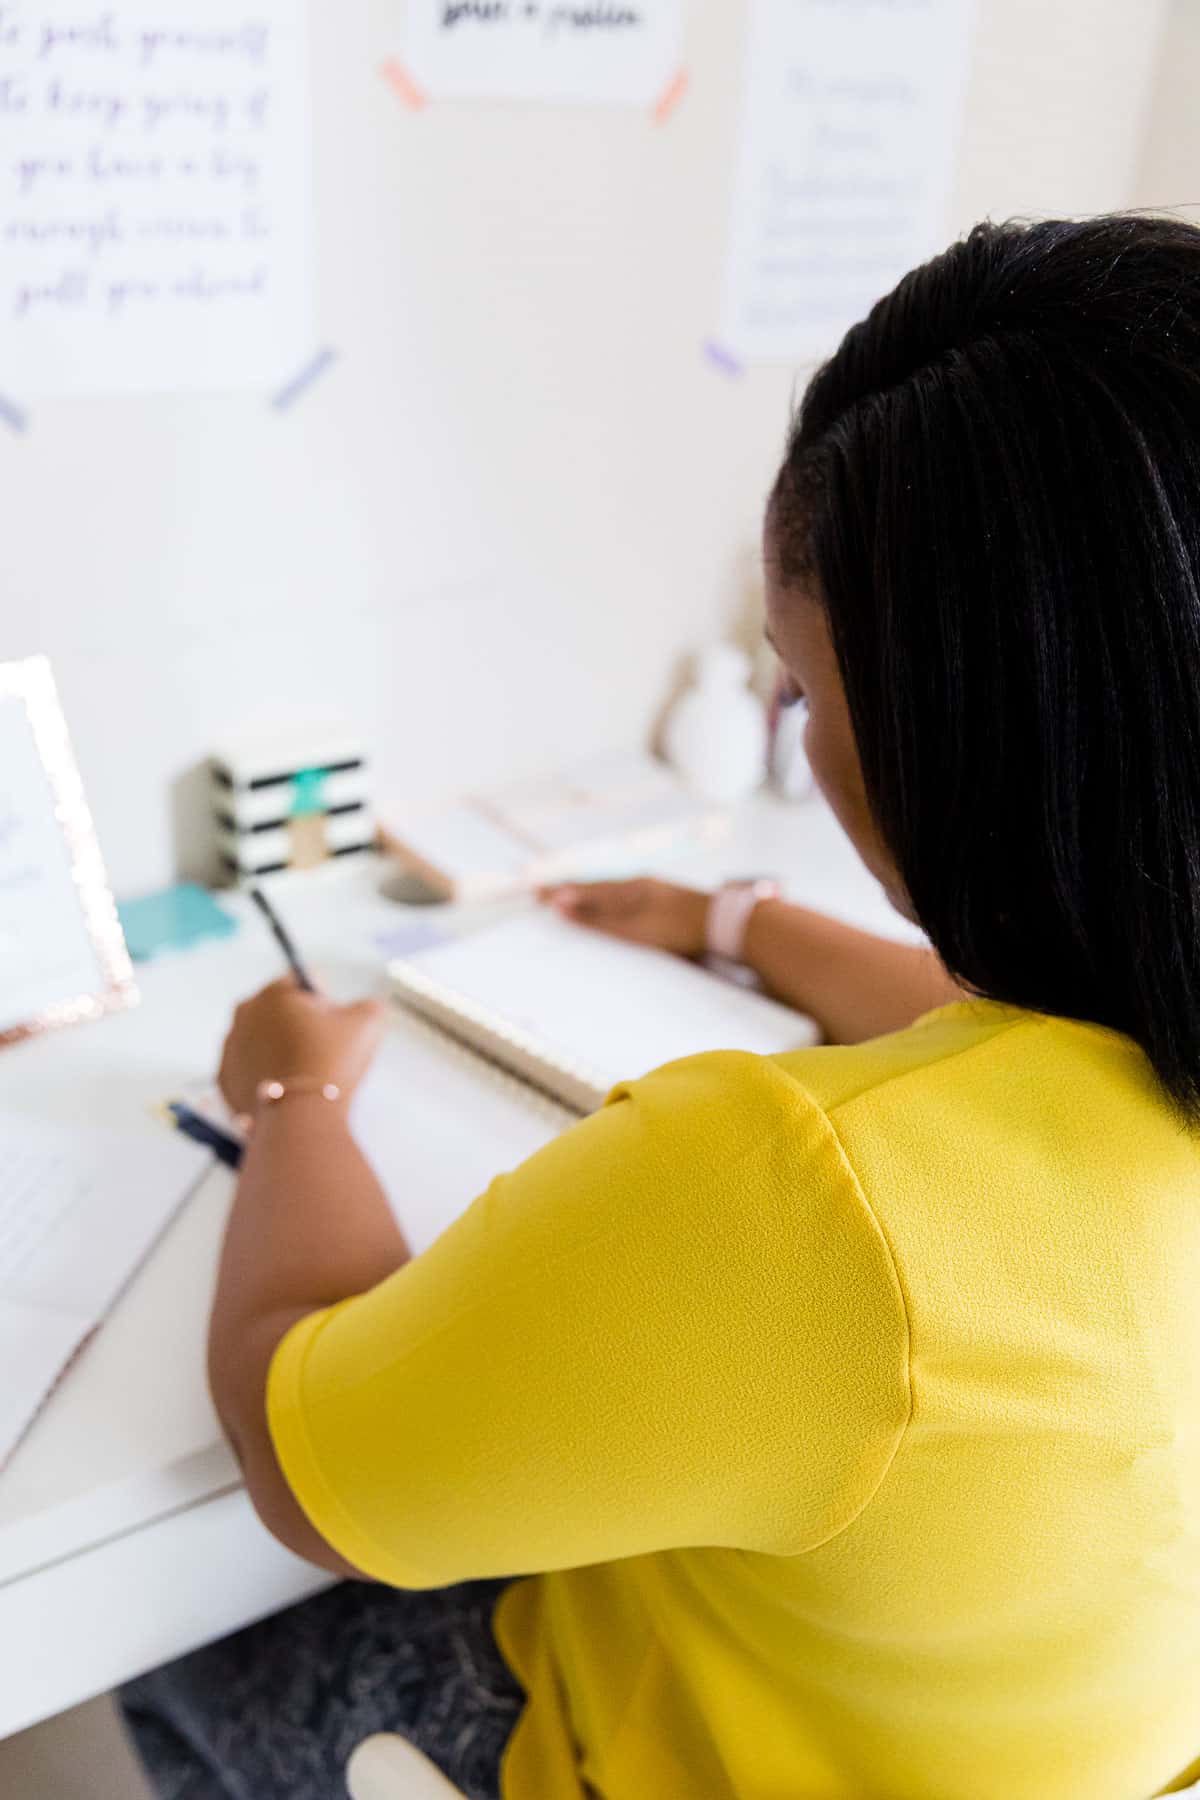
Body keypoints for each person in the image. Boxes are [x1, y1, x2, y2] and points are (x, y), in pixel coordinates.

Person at [123, 215, 1200, 1800]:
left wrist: (296, 1101)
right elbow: (1073, 1047)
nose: (802, 737)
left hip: (680, 1746)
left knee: (186, 1634)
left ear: (945, 741)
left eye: (802, 689)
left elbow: (300, 1455)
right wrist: (738, 920)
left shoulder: (806, 1208)